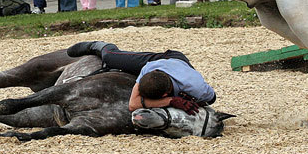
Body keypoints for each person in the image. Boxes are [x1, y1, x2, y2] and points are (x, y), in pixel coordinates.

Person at [66, 41, 216, 114]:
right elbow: (133, 104)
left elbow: (212, 98)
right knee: (111, 58)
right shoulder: (148, 68)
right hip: (162, 62)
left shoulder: (197, 88)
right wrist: (171, 100)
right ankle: (97, 45)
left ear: (164, 93)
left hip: (177, 62)